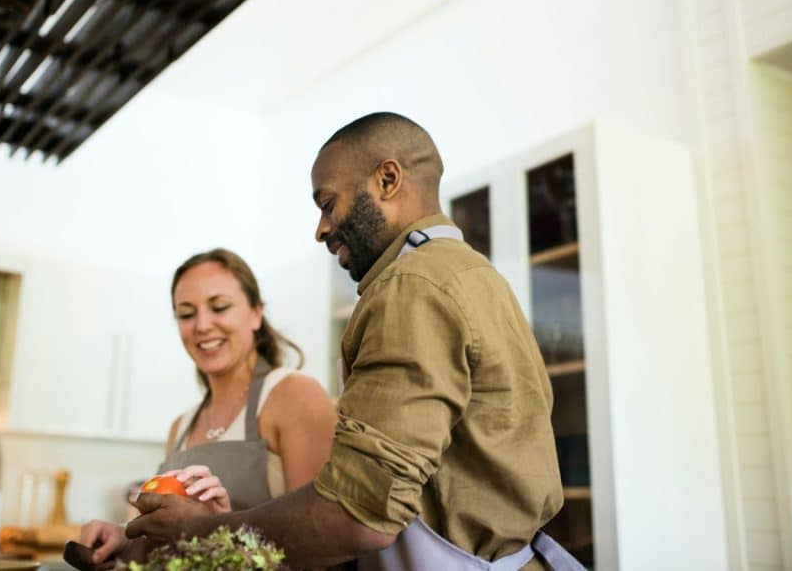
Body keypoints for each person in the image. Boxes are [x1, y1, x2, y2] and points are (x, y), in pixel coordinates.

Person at [104, 112, 583, 570]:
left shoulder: (412, 285)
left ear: (388, 181)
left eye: (327, 204)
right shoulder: (472, 274)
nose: (321, 230)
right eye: (185, 314)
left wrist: (207, 530)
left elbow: (357, 517)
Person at [77, 248, 338, 562]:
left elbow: (323, 540)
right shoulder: (181, 427)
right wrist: (123, 538)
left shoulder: (294, 395)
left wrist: (215, 528)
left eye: (219, 307)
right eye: (186, 314)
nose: (202, 325)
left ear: (256, 313)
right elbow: (172, 549)